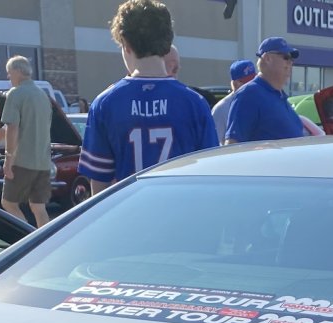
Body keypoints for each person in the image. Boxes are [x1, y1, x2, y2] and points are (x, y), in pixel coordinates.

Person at [79, 0, 216, 194]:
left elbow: (99, 187)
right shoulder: (194, 103)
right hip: (183, 216)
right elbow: (210, 176)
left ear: (125, 44)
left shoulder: (105, 104)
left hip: (130, 218)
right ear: (167, 43)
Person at [0, 54, 52, 225]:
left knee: (8, 203)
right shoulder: (43, 96)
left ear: (18, 71)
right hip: (43, 162)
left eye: (9, 73)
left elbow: (12, 128)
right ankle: (46, 241)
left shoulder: (15, 94)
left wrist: (8, 160)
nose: (8, 77)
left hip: (22, 161)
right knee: (38, 206)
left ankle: (28, 238)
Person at [224, 36, 305, 144]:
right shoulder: (249, 95)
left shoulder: (280, 96)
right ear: (267, 58)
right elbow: (233, 144)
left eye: (292, 59)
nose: (290, 63)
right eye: (286, 57)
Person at [209, 58, 254, 139]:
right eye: (248, 82)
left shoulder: (259, 102)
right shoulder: (221, 109)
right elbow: (215, 142)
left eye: (254, 80)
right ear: (236, 84)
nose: (253, 84)